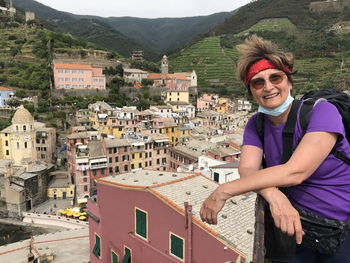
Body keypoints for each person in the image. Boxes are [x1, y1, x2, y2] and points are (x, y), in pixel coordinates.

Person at [200, 35, 350, 262]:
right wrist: (273, 194)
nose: (268, 87)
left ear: (289, 81)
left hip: (341, 229)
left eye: (275, 77)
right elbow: (248, 170)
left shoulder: (322, 112)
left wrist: (224, 190)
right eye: (258, 82)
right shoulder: (256, 124)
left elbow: (296, 171)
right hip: (293, 228)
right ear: (251, 92)